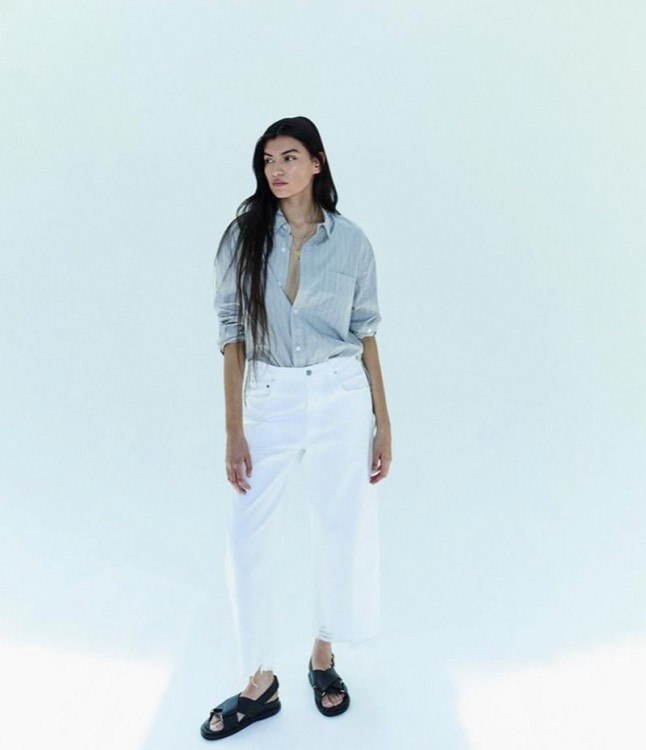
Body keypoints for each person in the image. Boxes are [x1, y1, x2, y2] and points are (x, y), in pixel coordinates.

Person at [201, 116, 392, 740]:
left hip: (341, 396)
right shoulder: (244, 237)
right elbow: (231, 333)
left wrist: (383, 422)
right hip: (269, 397)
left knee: (340, 528)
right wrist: (234, 430)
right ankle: (259, 680)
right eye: (267, 160)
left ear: (317, 162)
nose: (276, 170)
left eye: (288, 157)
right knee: (246, 536)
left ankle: (323, 653)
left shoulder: (352, 242)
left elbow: (365, 333)